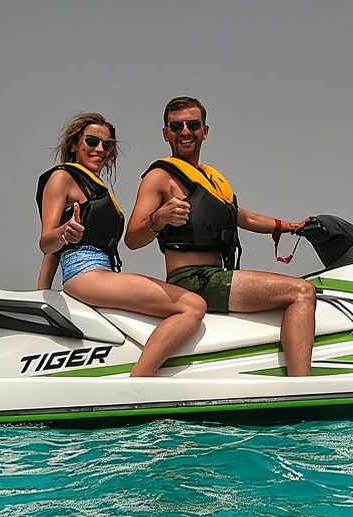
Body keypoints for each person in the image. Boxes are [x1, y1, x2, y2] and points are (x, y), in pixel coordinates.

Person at [125, 97, 317, 377]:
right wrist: (159, 218)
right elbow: (132, 237)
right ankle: (302, 387)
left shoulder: (211, 179)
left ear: (205, 130)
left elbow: (242, 216)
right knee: (302, 291)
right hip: (193, 280)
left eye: (193, 124)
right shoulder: (159, 177)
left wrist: (288, 226)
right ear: (166, 133)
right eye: (176, 126)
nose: (185, 131)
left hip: (216, 275)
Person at [36, 112, 206, 377]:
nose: (100, 149)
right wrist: (64, 234)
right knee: (193, 306)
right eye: (92, 141)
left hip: (104, 273)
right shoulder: (62, 178)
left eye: (108, 144)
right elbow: (47, 244)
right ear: (74, 144)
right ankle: (140, 382)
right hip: (84, 273)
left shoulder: (97, 186)